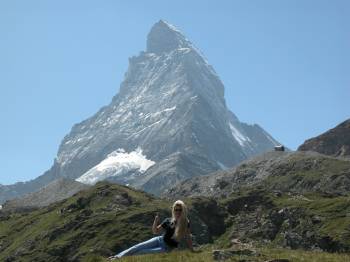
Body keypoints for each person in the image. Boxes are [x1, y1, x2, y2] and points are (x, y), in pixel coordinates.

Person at [108, 200, 193, 260]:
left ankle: (122, 259)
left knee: (141, 252)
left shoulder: (185, 223)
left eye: (180, 210)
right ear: (173, 210)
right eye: (176, 209)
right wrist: (155, 221)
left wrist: (192, 250)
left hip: (166, 249)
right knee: (136, 247)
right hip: (159, 240)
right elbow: (155, 231)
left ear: (183, 210)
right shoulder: (168, 220)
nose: (178, 211)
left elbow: (188, 237)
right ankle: (116, 257)